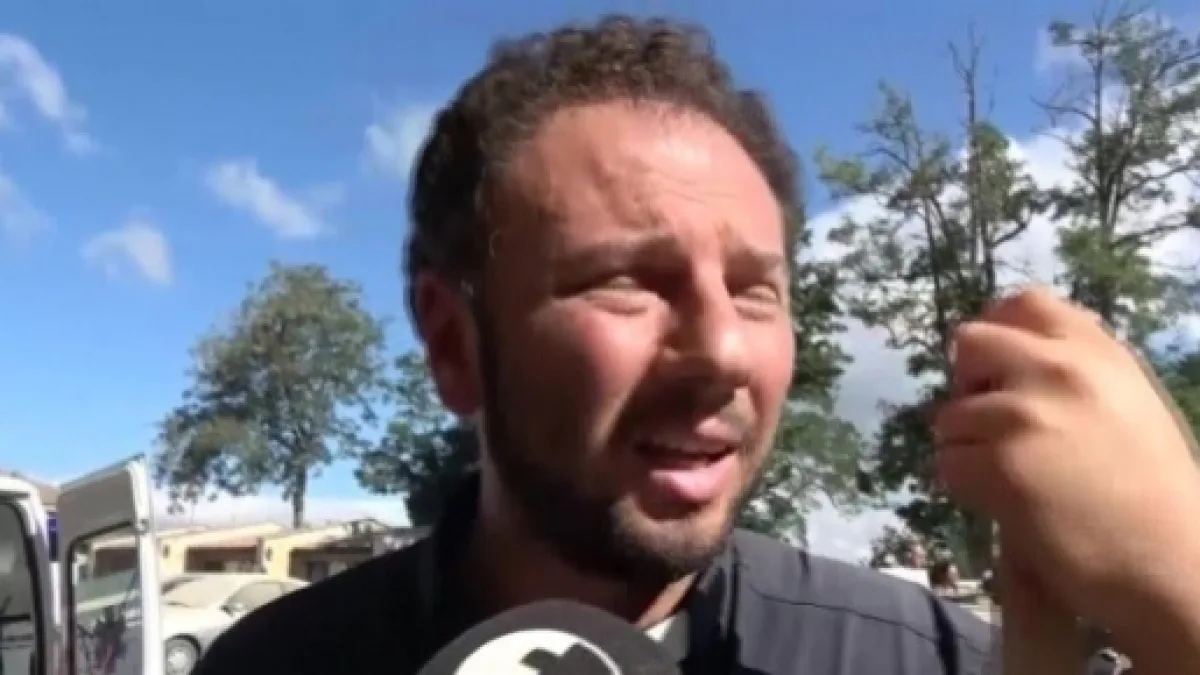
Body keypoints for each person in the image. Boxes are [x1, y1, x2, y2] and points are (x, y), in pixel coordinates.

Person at [191, 15, 1200, 675]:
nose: (723, 351)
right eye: (628, 279)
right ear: (454, 345)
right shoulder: (275, 665)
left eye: (756, 290)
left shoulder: (919, 658)